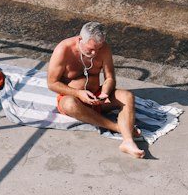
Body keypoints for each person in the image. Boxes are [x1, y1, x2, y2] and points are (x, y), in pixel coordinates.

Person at [46, 21, 143, 159]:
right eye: (90, 49)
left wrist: (105, 92)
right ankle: (117, 128)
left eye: (98, 48)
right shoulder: (63, 50)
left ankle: (128, 142)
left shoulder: (104, 49)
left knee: (127, 96)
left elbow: (110, 78)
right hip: (74, 99)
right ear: (80, 40)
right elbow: (51, 83)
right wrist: (78, 93)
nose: (94, 53)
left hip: (98, 97)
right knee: (69, 104)